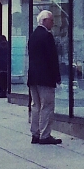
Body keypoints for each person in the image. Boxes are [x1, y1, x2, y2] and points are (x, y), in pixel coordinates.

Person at [27, 10, 61, 145]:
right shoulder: (47, 36)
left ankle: (35, 133)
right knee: (47, 106)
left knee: (35, 105)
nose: (53, 23)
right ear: (45, 20)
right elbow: (52, 58)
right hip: (45, 77)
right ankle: (45, 135)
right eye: (51, 20)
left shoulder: (33, 35)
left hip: (33, 77)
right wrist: (56, 76)